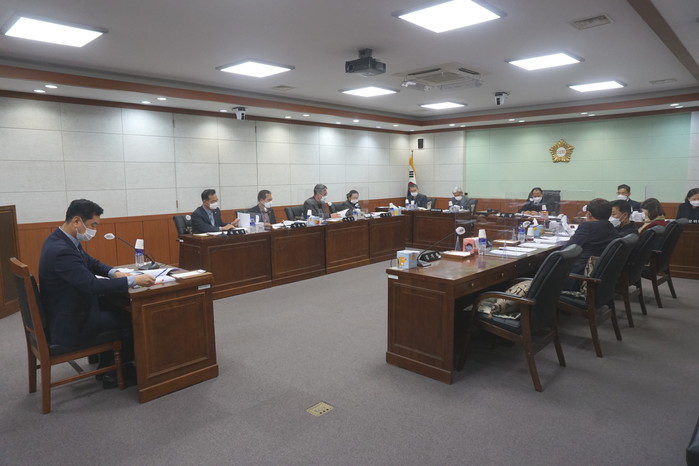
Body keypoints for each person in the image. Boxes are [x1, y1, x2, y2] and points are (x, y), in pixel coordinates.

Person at [38, 199, 155, 388]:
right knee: (131, 318)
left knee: (115, 306)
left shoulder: (60, 239)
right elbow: (92, 285)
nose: (94, 230)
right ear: (77, 221)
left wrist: (113, 272)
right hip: (71, 322)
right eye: (93, 225)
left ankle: (107, 365)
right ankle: (115, 372)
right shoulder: (61, 251)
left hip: (68, 308)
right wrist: (133, 280)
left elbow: (90, 262)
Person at [566, 198, 621, 277]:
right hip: (598, 273)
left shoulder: (587, 227)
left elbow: (567, 249)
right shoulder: (612, 228)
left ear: (589, 214)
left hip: (579, 274)